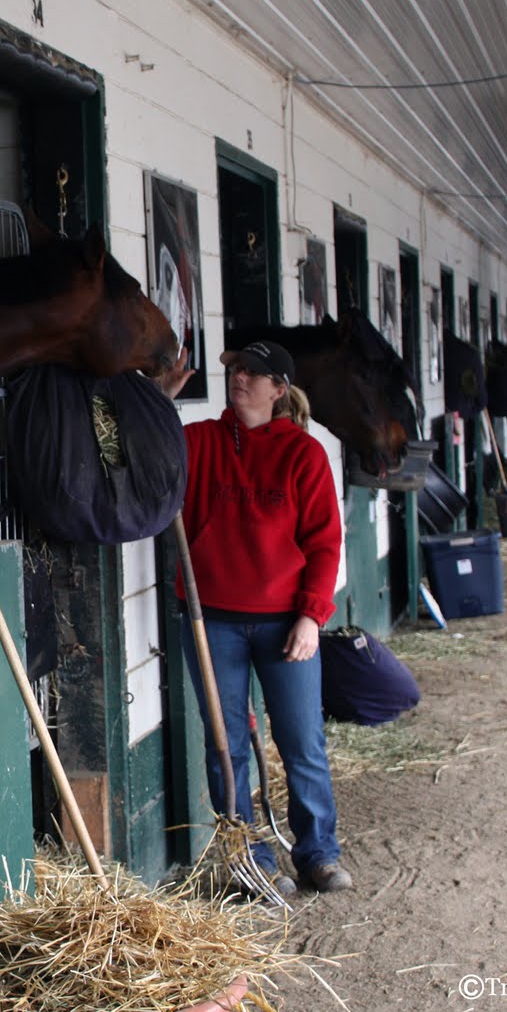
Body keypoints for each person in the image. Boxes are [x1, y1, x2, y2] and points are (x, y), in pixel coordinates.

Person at [159, 341, 351, 896]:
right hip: (210, 619)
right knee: (227, 748)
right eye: (236, 369)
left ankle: (318, 853)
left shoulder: (303, 455)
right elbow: (147, 448)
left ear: (278, 389)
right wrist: (160, 400)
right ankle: (252, 861)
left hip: (284, 621)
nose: (240, 377)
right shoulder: (197, 440)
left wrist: (312, 616)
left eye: (254, 372)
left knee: (301, 740)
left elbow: (324, 544)